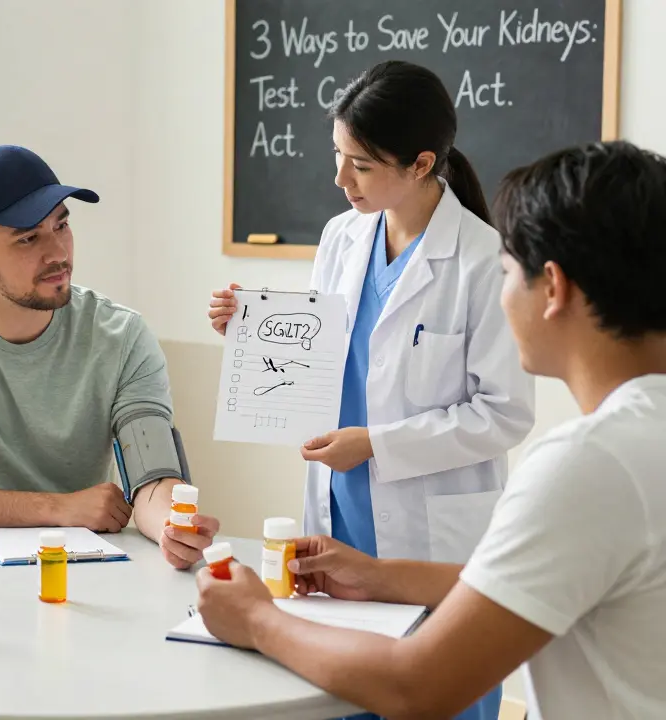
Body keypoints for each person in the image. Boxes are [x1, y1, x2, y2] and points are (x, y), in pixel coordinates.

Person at [196, 139, 666, 720]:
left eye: (506, 271)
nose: (499, 290)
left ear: (554, 287)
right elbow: (525, 577)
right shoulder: (640, 440)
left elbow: (415, 687)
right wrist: (376, 575)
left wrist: (255, 619)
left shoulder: (588, 465)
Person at [208, 60, 535, 720]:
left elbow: (504, 414)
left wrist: (378, 444)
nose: (339, 179)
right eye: (338, 156)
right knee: (338, 696)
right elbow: (325, 351)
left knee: (436, 697)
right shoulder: (341, 236)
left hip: (429, 537)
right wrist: (251, 328)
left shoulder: (481, 257)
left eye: (359, 164)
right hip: (339, 512)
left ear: (419, 164)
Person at [0, 145, 217, 570]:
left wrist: (172, 526)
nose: (58, 253)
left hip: (83, 568)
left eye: (62, 225)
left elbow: (152, 477)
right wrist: (58, 508)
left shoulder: (122, 334)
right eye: (29, 238)